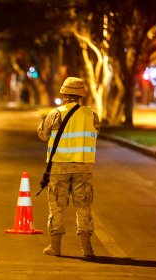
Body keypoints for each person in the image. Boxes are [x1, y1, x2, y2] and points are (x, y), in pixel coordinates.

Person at [37, 77, 100, 257]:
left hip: (60, 168)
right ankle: (87, 248)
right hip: (84, 168)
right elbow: (96, 133)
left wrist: (44, 120)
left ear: (64, 94)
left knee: (57, 207)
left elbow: (42, 134)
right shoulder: (91, 114)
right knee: (84, 207)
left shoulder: (56, 114)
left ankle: (55, 247)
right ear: (81, 95)